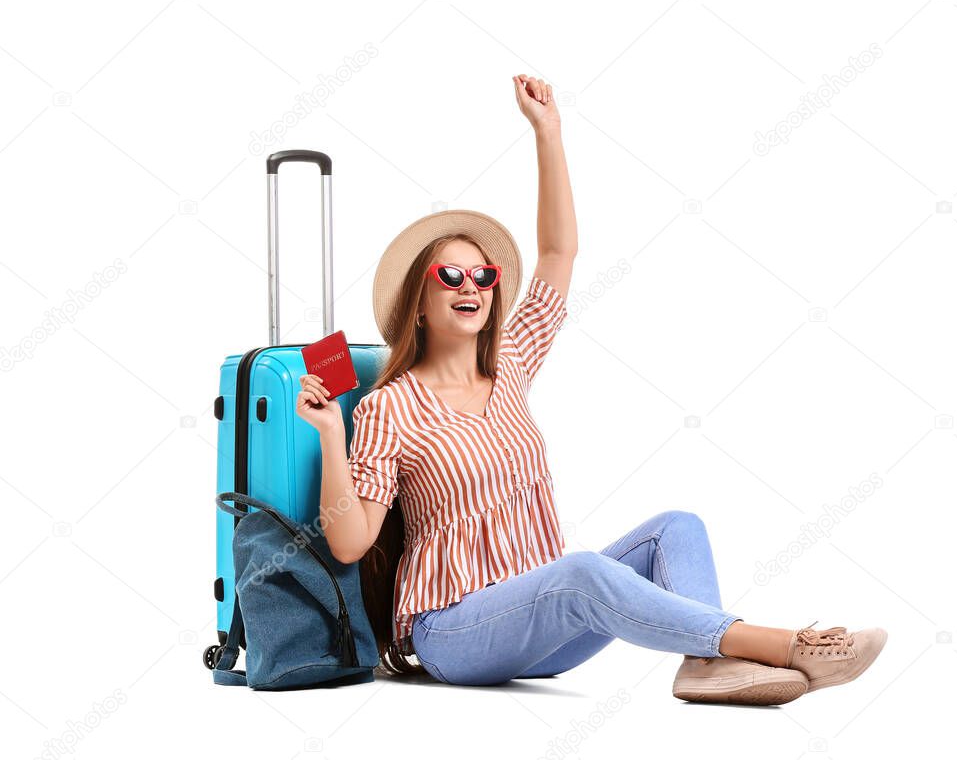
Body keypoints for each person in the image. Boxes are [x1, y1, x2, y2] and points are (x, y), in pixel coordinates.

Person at [295, 74, 887, 705]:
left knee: (675, 529)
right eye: (450, 276)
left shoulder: (513, 364)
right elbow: (350, 541)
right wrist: (333, 435)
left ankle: (706, 664)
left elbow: (557, 254)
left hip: (545, 623)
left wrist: (548, 132)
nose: (471, 286)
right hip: (455, 630)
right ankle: (784, 644)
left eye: (484, 275)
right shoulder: (391, 406)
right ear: (419, 300)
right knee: (581, 573)